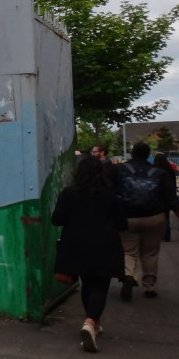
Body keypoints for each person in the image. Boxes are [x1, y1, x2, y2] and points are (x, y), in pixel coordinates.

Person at [53, 155, 127, 353]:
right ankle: (91, 321)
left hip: (76, 246)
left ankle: (92, 321)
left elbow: (56, 219)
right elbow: (122, 223)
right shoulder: (110, 195)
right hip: (104, 245)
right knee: (100, 285)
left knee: (87, 283)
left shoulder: (68, 193)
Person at [114, 142, 179, 301]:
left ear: (131, 153)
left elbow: (110, 192)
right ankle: (149, 286)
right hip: (155, 218)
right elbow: (172, 199)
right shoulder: (160, 173)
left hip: (127, 217)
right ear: (148, 154)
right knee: (150, 252)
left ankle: (129, 275)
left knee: (129, 251)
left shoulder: (119, 170)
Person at [152, 153, 178, 242]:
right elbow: (173, 185)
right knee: (166, 218)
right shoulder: (170, 171)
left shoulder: (154, 171)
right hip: (168, 197)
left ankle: (157, 236)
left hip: (157, 198)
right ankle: (167, 236)